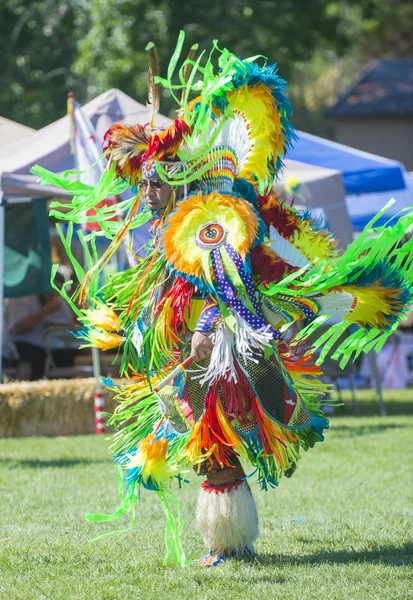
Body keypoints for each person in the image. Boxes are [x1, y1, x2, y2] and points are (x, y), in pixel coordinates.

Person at [32, 32, 413, 567]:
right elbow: (171, 285)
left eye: (152, 183)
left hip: (227, 340)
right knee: (204, 439)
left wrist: (210, 329)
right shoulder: (173, 225)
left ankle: (229, 542)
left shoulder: (212, 218)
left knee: (217, 439)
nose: (146, 194)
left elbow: (227, 284)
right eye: (140, 185)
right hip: (194, 341)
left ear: (174, 176)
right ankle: (227, 541)